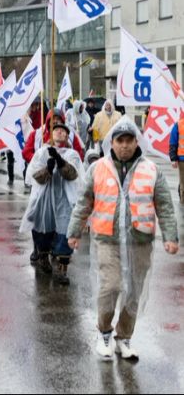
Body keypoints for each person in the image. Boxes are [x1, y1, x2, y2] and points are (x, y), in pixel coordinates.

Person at [66, 119, 179, 360]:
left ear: (136, 142)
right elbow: (84, 202)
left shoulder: (151, 169)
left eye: (129, 140)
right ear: (112, 143)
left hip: (140, 240)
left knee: (134, 291)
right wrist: (74, 232)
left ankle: (124, 338)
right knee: (111, 286)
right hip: (107, 239)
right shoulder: (98, 168)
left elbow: (165, 206)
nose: (125, 146)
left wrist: (170, 237)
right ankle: (104, 333)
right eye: (120, 141)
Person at [21, 122, 82, 285]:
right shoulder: (41, 152)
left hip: (64, 198)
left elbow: (72, 174)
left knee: (65, 231)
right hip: (45, 198)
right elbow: (35, 176)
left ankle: (62, 269)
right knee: (43, 229)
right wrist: (47, 169)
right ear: (51, 133)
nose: (60, 133)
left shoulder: (72, 154)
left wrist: (60, 161)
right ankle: (43, 256)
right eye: (57, 130)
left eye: (63, 131)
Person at [166, 113, 184, 204]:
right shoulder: (179, 125)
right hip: (182, 160)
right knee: (183, 184)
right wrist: (173, 158)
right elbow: (173, 142)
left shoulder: (179, 124)